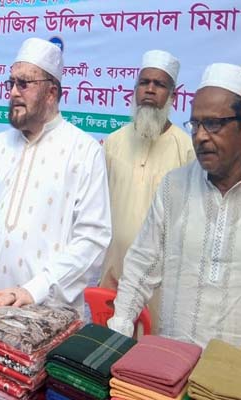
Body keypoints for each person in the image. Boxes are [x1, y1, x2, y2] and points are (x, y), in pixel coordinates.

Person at [0, 38, 111, 314]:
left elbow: (91, 240)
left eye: (24, 84)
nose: (13, 92)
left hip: (50, 311)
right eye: (11, 83)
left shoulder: (84, 152)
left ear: (51, 93)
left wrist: (35, 289)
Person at [108, 63, 241, 347]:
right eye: (195, 124)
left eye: (213, 123)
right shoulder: (175, 186)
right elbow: (142, 265)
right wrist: (118, 331)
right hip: (172, 359)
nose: (201, 136)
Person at [100, 50, 195, 333]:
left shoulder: (186, 150)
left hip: (158, 285)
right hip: (112, 275)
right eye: (144, 82)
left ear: (173, 95)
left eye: (159, 84)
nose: (150, 90)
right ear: (135, 90)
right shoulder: (113, 143)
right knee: (105, 349)